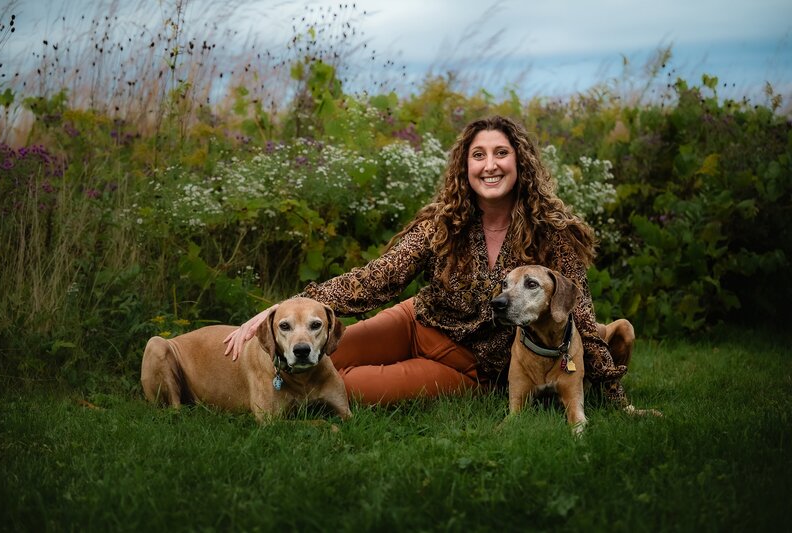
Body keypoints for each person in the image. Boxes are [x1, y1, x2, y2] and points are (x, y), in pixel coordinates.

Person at [224, 115, 630, 407]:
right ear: (465, 166)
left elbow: (577, 312)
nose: (490, 164)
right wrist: (287, 305)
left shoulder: (552, 231)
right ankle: (226, 389)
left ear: (520, 162)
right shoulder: (445, 219)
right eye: (479, 155)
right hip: (414, 322)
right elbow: (376, 279)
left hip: (469, 363)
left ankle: (283, 404)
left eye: (501, 153)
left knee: (345, 386)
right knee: (320, 350)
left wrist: (613, 394)